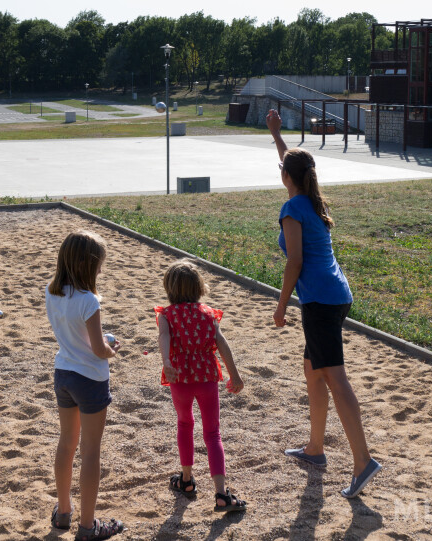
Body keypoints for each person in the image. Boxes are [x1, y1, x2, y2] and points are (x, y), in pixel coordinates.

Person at [265, 109, 382, 498]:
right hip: (335, 295)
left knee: (334, 376)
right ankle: (315, 449)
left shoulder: (292, 209)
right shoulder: (310, 200)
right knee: (314, 371)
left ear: (286, 178)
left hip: (319, 300)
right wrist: (276, 134)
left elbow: (294, 262)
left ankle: (363, 461)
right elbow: (293, 166)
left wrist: (281, 306)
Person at [45, 230, 125, 541]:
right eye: (99, 264)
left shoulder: (52, 292)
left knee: (67, 443)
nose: (101, 270)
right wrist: (111, 349)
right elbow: (96, 349)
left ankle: (63, 511)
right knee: (91, 451)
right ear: (88, 265)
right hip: (90, 378)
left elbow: (74, 336)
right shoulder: (88, 300)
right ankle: (88, 527)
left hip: (63, 373)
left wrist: (99, 343)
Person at [155, 259, 247, 512]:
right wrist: (235, 376)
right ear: (198, 287)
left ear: (170, 288)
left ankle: (186, 481)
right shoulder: (208, 313)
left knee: (185, 424)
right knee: (213, 433)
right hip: (207, 378)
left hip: (181, 380)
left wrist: (167, 362)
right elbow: (222, 344)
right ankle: (221, 494)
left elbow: (164, 337)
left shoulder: (167, 315)